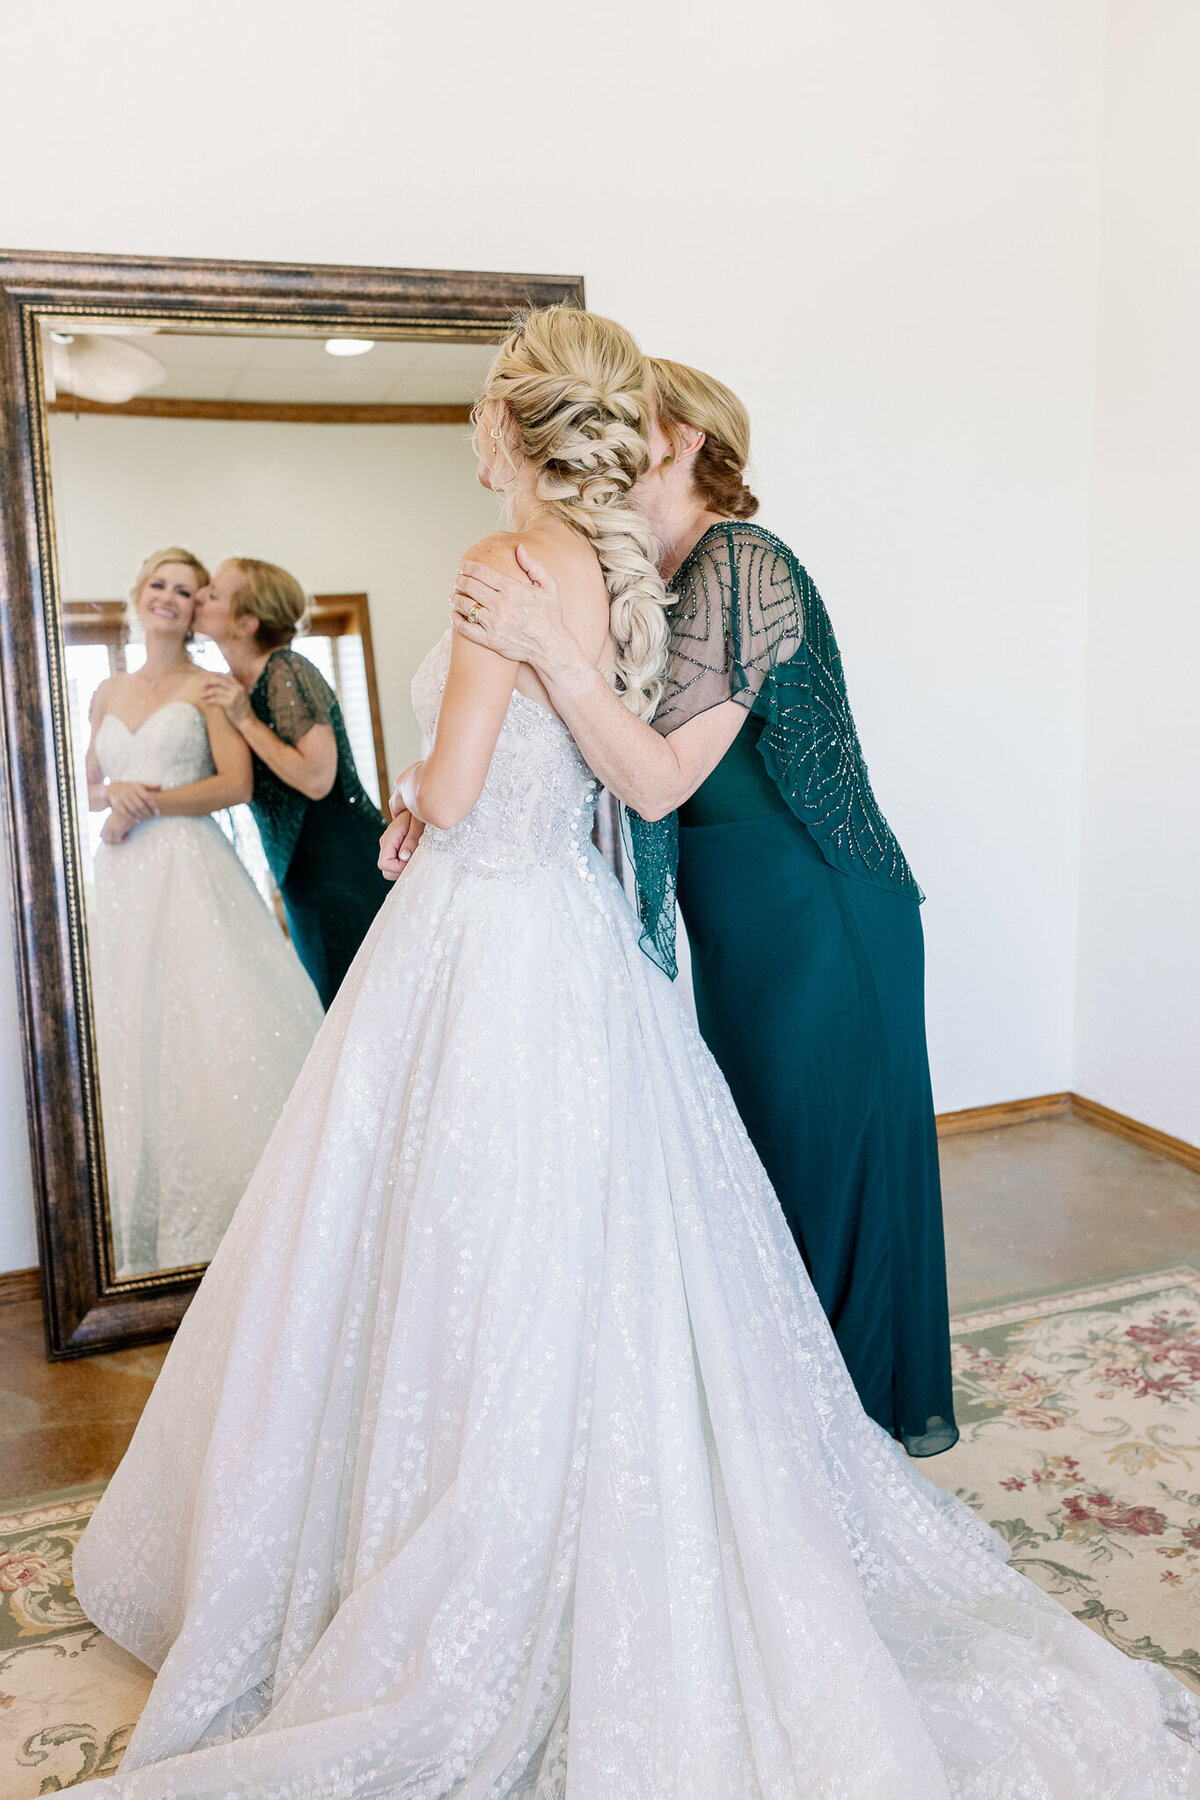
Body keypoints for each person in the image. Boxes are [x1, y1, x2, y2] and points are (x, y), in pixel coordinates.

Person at [71, 312, 1199, 1799]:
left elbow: (559, 775)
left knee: (648, 1192)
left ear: (517, 426)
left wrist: (429, 789)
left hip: (748, 900)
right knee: (632, 1215)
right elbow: (599, 789)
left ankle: (725, 1447)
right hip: (608, 920)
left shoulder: (669, 567)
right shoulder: (619, 569)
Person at [444, 358, 954, 1456]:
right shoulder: (655, 581)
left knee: (819, 1175)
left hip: (819, 909)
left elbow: (658, 779)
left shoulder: (741, 561)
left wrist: (541, 645)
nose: (615, 445)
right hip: (742, 919)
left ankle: (845, 1445)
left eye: (639, 425)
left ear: (682, 444)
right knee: (762, 1177)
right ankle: (795, 1436)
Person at [86, 548, 324, 1276]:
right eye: (158, 583)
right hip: (124, 872)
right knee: (134, 1029)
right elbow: (94, 787)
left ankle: (250, 1236)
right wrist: (117, 801)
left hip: (189, 866)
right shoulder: (105, 690)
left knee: (206, 1023)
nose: (168, 596)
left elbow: (236, 784)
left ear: (197, 610)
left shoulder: (210, 685)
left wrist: (148, 800)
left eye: (184, 590)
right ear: (137, 594)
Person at [194, 558, 390, 1007]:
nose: (201, 596)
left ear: (246, 621)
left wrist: (244, 719)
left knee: (356, 1005)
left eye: (215, 593)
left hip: (341, 863)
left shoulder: (286, 669)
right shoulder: (233, 682)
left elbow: (318, 777)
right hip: (300, 869)